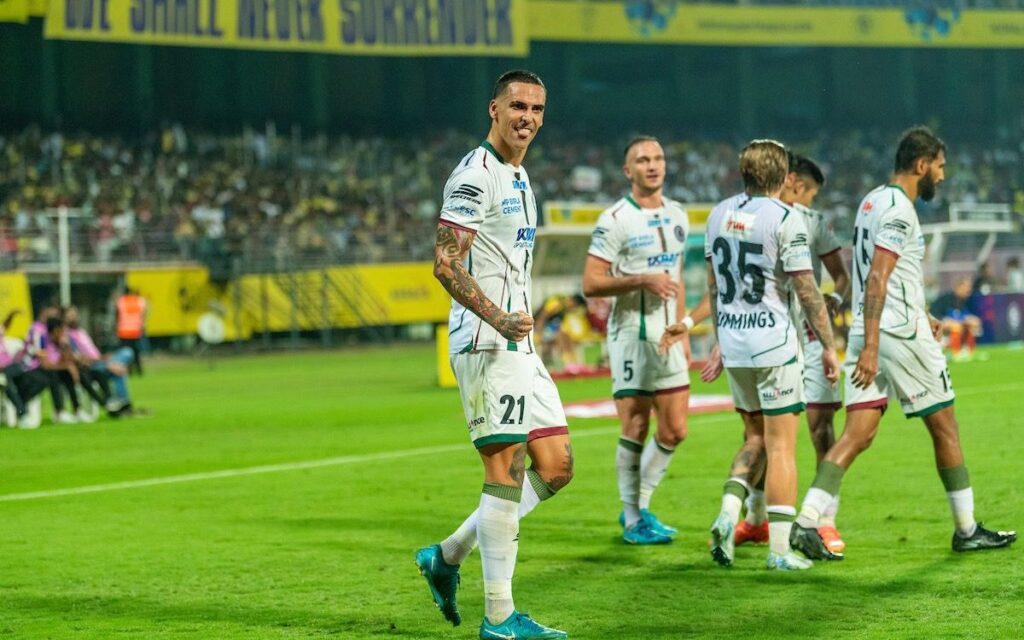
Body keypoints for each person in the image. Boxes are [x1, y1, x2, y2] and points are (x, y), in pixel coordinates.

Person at [792, 126, 1016, 556]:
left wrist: (914, 316)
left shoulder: (872, 201)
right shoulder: (899, 210)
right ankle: (966, 529)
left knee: (857, 434)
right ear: (921, 164)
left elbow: (883, 276)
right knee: (945, 426)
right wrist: (876, 344)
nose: (943, 176)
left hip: (871, 328)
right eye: (940, 166)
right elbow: (878, 276)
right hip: (896, 333)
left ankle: (806, 522)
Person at [415, 70, 571, 640]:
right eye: (518, 106)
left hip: (519, 343)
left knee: (555, 466)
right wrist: (499, 318)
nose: (528, 117)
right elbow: (445, 263)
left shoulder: (520, 176)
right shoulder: (475, 175)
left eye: (537, 108)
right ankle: (500, 619)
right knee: (505, 470)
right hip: (486, 338)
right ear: (494, 109)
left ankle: (447, 555)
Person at [668, 139, 840, 571]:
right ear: (784, 177)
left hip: (734, 343)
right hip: (774, 345)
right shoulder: (785, 218)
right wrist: (828, 345)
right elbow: (807, 290)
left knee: (754, 439)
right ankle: (779, 551)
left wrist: (720, 340)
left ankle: (730, 512)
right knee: (781, 446)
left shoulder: (717, 214)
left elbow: (714, 287)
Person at [581, 135, 704, 545]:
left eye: (658, 158)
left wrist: (684, 329)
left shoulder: (678, 214)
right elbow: (591, 283)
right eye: (642, 160)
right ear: (627, 170)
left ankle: (640, 506)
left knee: (675, 430)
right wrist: (641, 279)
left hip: (669, 336)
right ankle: (634, 519)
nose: (652, 165)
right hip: (631, 334)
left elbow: (675, 278)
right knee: (635, 424)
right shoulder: (615, 220)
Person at [728, 154, 852, 554]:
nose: (810, 201)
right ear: (793, 181)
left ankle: (824, 520)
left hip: (811, 339)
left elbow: (841, 276)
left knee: (820, 427)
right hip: (770, 336)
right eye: (810, 192)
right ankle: (756, 519)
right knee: (760, 432)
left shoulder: (814, 223)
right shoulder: (750, 217)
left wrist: (834, 300)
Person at [64, 305, 135, 415]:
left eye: (75, 314)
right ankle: (124, 404)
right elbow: (79, 357)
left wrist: (105, 358)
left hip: (100, 361)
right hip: (92, 365)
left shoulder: (81, 332)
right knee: (120, 368)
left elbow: (93, 352)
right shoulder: (67, 336)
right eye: (70, 315)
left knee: (126, 353)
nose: (74, 318)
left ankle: (123, 404)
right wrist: (106, 364)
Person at [931, 277, 982, 361]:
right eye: (966, 287)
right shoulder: (946, 299)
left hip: (955, 324)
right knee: (956, 326)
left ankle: (968, 351)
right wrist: (945, 321)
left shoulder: (963, 301)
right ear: (958, 287)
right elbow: (935, 314)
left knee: (973, 323)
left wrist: (970, 319)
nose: (968, 290)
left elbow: (964, 315)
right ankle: (955, 353)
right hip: (938, 326)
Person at [116, 287, 147, 375]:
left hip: (123, 331)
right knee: (136, 352)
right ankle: (139, 370)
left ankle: (128, 370)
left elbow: (117, 315)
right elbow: (144, 314)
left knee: (125, 352)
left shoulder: (121, 301)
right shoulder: (139, 301)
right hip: (136, 330)